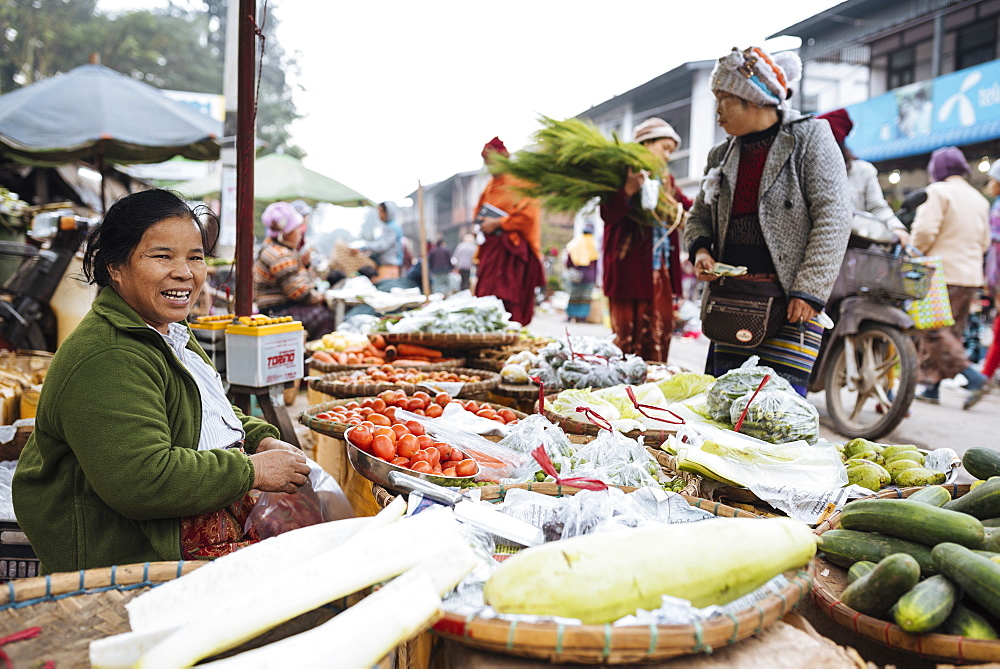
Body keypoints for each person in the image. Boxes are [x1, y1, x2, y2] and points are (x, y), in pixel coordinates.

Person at [12, 189, 311, 573]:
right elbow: (143, 480)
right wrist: (255, 470)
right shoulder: (109, 356)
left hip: (179, 526)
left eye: (195, 257)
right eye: (162, 256)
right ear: (115, 268)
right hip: (128, 557)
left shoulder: (168, 331)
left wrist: (257, 437)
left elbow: (208, 407)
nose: (185, 272)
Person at [684, 46, 852, 396]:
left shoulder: (810, 138)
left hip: (791, 304)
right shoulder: (721, 154)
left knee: (779, 414)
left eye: (724, 99)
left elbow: (833, 217)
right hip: (732, 300)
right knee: (724, 407)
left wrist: (809, 291)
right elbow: (699, 214)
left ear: (753, 99)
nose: (717, 111)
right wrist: (700, 251)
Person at [600, 117, 688, 361]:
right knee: (627, 335)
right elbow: (607, 214)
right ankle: (622, 392)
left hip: (660, 270)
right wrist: (628, 189)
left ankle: (652, 386)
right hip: (629, 267)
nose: (668, 156)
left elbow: (685, 205)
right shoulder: (622, 172)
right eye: (665, 148)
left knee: (659, 330)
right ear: (646, 144)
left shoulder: (665, 180)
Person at [911, 146, 991, 409]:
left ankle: (974, 377)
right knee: (952, 334)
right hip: (970, 276)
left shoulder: (938, 192)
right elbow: (984, 241)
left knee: (933, 330)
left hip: (940, 273)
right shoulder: (978, 198)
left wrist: (914, 252)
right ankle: (931, 387)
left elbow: (925, 231)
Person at [473, 137, 545, 326]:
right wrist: (482, 224)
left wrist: (499, 223)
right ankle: (487, 333)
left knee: (508, 296)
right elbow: (478, 212)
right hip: (492, 249)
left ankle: (511, 333)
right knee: (486, 297)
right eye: (485, 162)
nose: (487, 166)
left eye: (490, 161)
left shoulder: (521, 182)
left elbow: (528, 216)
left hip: (511, 252)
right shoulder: (490, 186)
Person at [817, 108, 911, 245]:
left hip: (858, 252)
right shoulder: (806, 172)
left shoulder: (862, 171)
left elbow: (877, 207)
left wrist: (896, 227)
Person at [253, 201, 335, 341]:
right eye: (297, 228)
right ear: (286, 232)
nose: (300, 232)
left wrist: (306, 265)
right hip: (277, 310)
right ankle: (309, 356)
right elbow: (298, 292)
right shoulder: (280, 255)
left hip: (276, 307)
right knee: (324, 316)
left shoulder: (274, 248)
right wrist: (323, 299)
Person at [978, 161, 1000, 387]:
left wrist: (991, 283)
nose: (989, 185)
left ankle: (983, 377)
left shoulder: (997, 209)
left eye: (992, 180)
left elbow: (996, 252)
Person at [564, 223, 599, 322]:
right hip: (589, 275)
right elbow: (596, 264)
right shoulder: (593, 244)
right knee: (585, 296)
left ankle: (570, 316)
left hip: (577, 275)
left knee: (574, 295)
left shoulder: (576, 243)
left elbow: (568, 262)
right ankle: (582, 317)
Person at [362, 201, 404, 281]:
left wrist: (364, 246)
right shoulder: (388, 226)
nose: (379, 215)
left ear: (388, 212)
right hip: (386, 266)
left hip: (388, 267)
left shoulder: (392, 227)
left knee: (385, 288)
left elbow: (381, 246)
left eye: (381, 211)